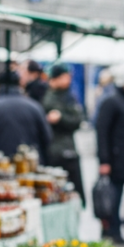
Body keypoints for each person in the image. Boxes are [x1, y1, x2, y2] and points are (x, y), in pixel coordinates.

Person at [95, 63, 124, 243]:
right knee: (114, 198)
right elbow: (102, 132)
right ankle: (113, 230)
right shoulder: (111, 102)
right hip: (116, 159)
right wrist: (104, 160)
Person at [0, 70, 52, 158]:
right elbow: (47, 137)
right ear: (19, 84)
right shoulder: (35, 107)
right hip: (30, 162)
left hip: (0, 162)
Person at [41, 63, 86, 207]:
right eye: (66, 76)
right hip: (51, 150)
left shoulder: (69, 96)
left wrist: (61, 118)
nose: (69, 80)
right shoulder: (45, 95)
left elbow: (78, 119)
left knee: (73, 191)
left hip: (68, 149)